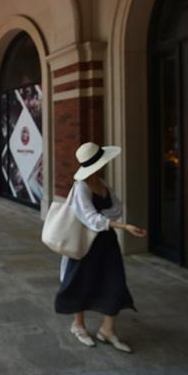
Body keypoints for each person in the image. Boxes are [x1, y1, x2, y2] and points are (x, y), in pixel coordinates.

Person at [54, 142, 147, 353]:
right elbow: (90, 219)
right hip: (85, 244)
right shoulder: (81, 187)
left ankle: (107, 329)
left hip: (106, 242)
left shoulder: (101, 183)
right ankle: (78, 325)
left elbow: (117, 207)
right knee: (80, 281)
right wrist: (123, 226)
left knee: (115, 282)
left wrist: (109, 221)